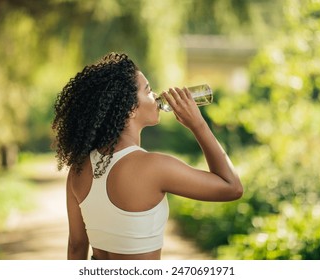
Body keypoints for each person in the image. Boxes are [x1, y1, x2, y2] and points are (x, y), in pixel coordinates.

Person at [52, 52, 243, 260]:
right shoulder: (153, 167)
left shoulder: (79, 169)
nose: (156, 96)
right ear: (131, 109)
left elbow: (76, 247)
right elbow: (231, 187)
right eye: (148, 90)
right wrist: (198, 124)